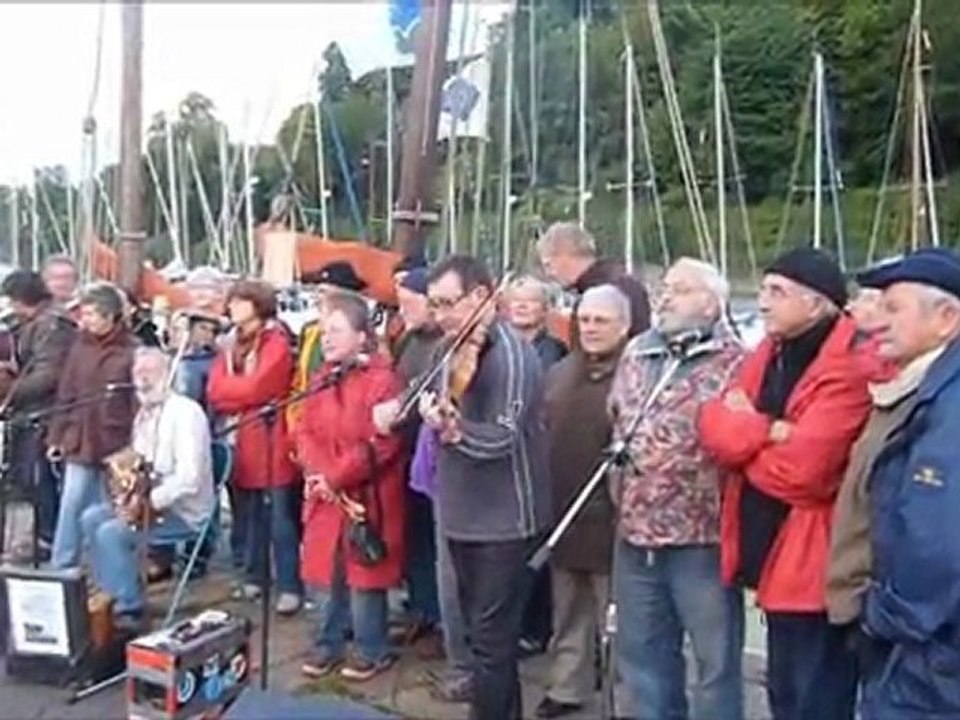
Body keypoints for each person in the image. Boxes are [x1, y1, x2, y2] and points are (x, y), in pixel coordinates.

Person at [699, 247, 871, 720]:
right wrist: (768, 431)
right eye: (764, 290)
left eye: (777, 292)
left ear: (816, 303)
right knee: (784, 693)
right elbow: (712, 424)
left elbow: (805, 472)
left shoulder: (848, 364)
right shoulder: (771, 351)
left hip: (815, 563)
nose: (763, 302)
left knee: (814, 697)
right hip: (774, 554)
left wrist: (745, 434)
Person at [607, 259, 745, 720]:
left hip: (701, 539)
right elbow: (617, 419)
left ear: (711, 303)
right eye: (663, 288)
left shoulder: (738, 362)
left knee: (715, 662)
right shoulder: (637, 353)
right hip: (635, 532)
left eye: (680, 290)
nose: (665, 298)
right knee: (642, 656)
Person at [419, 255, 551, 720]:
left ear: (480, 296)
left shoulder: (514, 355)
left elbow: (501, 437)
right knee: (479, 634)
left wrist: (455, 432)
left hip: (505, 520)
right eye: (434, 305)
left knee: (493, 643)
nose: (440, 316)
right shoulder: (446, 349)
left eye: (447, 303)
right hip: (460, 511)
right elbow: (431, 395)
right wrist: (419, 410)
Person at [840, 248, 960, 719]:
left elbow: (937, 538)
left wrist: (887, 618)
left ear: (946, 319)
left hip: (930, 653)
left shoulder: (950, 405)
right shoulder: (935, 391)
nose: (878, 322)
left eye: (894, 308)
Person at [296, 292, 405, 682]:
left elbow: (383, 442)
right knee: (325, 573)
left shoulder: (383, 381)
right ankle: (327, 642)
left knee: (364, 575)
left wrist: (336, 476)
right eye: (324, 330)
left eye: (336, 330)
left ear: (362, 336)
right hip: (325, 493)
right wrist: (317, 471)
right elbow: (304, 429)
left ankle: (371, 647)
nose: (326, 338)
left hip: (367, 495)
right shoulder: (321, 379)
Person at [536, 284, 630, 719]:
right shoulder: (560, 372)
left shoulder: (634, 374)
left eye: (601, 320)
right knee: (568, 611)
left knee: (622, 621)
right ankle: (566, 686)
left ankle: (622, 700)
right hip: (564, 511)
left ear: (624, 326)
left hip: (614, 516)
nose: (590, 328)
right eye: (585, 319)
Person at [79, 348, 214, 627]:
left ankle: (128, 609)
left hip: (182, 511)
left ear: (170, 376)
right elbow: (139, 465)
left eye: (150, 373)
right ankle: (109, 596)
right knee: (91, 517)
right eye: (138, 373)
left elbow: (190, 478)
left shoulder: (186, 413)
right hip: (148, 503)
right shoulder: (145, 414)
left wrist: (147, 502)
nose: (142, 380)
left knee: (112, 532)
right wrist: (124, 483)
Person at [207, 279, 303, 615]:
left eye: (240, 300)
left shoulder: (276, 341)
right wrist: (240, 392)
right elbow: (214, 390)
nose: (232, 306)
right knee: (248, 515)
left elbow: (260, 387)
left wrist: (235, 392)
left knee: (280, 517)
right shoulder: (230, 343)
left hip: (271, 439)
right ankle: (255, 575)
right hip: (242, 439)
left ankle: (290, 584)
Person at [48, 283, 137, 569]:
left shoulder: (132, 350)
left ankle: (105, 570)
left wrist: (135, 444)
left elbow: (136, 401)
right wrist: (56, 436)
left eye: (90, 314)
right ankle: (62, 564)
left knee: (108, 508)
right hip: (79, 435)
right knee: (72, 501)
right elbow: (66, 393)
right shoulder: (79, 347)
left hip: (116, 439)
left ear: (110, 316)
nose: (84, 321)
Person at [384, 268, 445, 654]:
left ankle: (442, 618)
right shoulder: (409, 339)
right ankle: (422, 606)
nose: (403, 310)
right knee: (416, 538)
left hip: (433, 455)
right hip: (405, 452)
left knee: (437, 542)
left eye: (410, 303)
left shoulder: (445, 344)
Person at [0, 271, 76, 559]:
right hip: (31, 409)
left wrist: (9, 393)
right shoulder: (32, 323)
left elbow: (49, 375)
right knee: (27, 477)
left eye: (13, 301)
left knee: (39, 477)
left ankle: (46, 538)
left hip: (46, 411)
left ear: (23, 299)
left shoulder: (53, 327)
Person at [536, 222, 651, 348]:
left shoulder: (616, 290)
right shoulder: (617, 284)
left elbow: (638, 344)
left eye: (548, 265)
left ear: (565, 254)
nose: (548, 274)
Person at [288, 261, 368, 431]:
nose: (318, 298)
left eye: (324, 292)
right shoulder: (309, 331)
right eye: (318, 291)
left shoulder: (362, 336)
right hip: (304, 421)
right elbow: (300, 379)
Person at [506, 275, 567, 369]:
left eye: (531, 300)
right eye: (516, 300)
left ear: (545, 309)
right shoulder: (495, 346)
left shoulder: (554, 351)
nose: (521, 305)